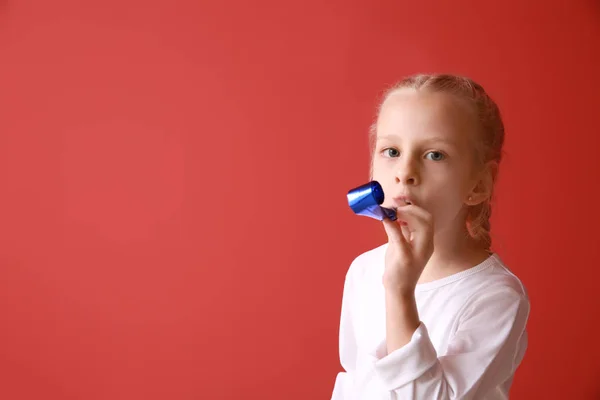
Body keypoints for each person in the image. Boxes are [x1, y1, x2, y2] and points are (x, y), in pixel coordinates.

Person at [331, 74, 530, 399]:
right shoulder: (364, 270)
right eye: (391, 151)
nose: (404, 171)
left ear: (478, 184)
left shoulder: (495, 297)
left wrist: (399, 291)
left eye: (435, 155)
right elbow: (353, 380)